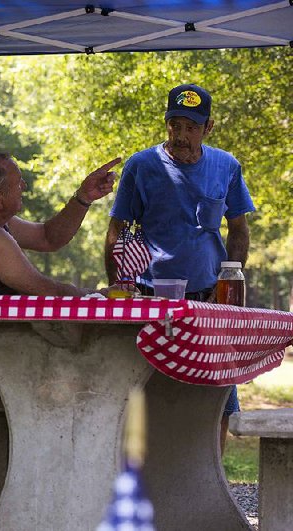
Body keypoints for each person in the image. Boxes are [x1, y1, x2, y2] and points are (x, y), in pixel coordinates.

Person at [104, 83, 255, 453]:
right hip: (149, 300)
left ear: (209, 128)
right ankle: (147, 484)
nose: (181, 136)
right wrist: (119, 289)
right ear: (167, 123)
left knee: (217, 401)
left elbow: (238, 230)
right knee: (144, 398)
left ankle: (210, 482)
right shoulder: (141, 166)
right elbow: (115, 233)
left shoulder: (226, 166)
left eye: (191, 127)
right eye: (175, 125)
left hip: (209, 302)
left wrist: (230, 277)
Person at [0, 151, 122, 392]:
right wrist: (98, 296)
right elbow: (47, 291)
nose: (24, 186)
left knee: (80, 366)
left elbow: (49, 237)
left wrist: (83, 197)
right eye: (18, 182)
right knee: (74, 379)